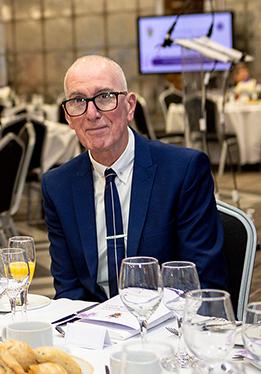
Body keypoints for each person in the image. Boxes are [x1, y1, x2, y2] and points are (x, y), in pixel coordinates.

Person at [42, 55, 227, 302]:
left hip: (165, 327)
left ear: (130, 106)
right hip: (94, 331)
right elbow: (68, 291)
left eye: (104, 97)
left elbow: (201, 284)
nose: (92, 113)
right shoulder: (58, 186)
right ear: (67, 116)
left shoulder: (183, 171)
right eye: (78, 101)